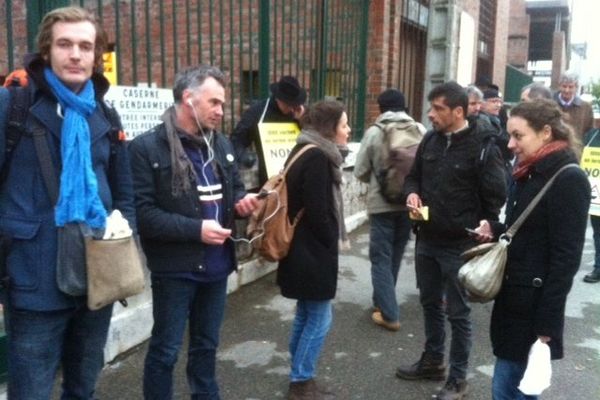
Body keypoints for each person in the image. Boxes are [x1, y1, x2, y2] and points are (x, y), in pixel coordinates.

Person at [0, 6, 135, 398]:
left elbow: (123, 192)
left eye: (85, 46)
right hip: (34, 281)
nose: (75, 54)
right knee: (32, 392)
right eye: (65, 44)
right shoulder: (14, 106)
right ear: (47, 51)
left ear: (96, 57)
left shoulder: (105, 113)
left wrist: (124, 240)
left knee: (83, 388)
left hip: (98, 276)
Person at [129, 65, 259, 400]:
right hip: (175, 269)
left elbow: (235, 186)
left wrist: (243, 201)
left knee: (206, 346)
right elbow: (143, 216)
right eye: (214, 103)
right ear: (188, 99)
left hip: (217, 266)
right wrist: (196, 229)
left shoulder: (221, 144)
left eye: (222, 104)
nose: (221, 111)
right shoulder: (146, 148)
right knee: (165, 350)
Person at [470, 99, 590, 399]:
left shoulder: (567, 178)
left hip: (533, 308)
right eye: (509, 135)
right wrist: (496, 230)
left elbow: (566, 258)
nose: (510, 144)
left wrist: (547, 324)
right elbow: (527, 228)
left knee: (511, 389)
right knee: (508, 385)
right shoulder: (530, 170)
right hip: (515, 298)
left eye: (518, 136)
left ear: (546, 132)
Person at [395, 81, 507, 400]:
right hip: (427, 239)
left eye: (438, 109)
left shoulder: (484, 144)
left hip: (461, 246)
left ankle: (458, 379)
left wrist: (487, 224)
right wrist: (412, 193)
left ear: (458, 111)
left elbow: (496, 193)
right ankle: (432, 361)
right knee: (430, 303)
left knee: (458, 313)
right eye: (431, 108)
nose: (431, 114)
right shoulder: (429, 139)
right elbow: (412, 177)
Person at [277, 100, 350, 400]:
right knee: (319, 318)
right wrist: (331, 239)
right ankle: (301, 381)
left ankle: (300, 375)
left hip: (300, 249)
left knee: (306, 315)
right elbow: (319, 213)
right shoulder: (319, 157)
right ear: (330, 129)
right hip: (312, 251)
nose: (347, 131)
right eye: (344, 125)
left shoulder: (303, 148)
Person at [354, 89, 423, 331]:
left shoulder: (375, 132)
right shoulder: (420, 130)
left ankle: (389, 314)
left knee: (380, 258)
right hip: (409, 204)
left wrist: (379, 180)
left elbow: (360, 170)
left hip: (381, 205)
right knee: (395, 254)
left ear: (381, 107)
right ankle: (381, 301)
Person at [230, 75, 307, 185]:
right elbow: (237, 140)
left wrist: (302, 120)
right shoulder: (257, 112)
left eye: (293, 104)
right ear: (278, 98)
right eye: (287, 104)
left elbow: (311, 140)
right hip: (267, 180)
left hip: (296, 176)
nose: (291, 108)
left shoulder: (298, 113)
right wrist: (244, 157)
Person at [552, 72, 594, 141]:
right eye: (564, 86)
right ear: (559, 86)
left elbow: (589, 132)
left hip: (577, 149)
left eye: (571, 87)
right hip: (554, 148)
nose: (567, 90)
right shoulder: (550, 104)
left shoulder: (586, 108)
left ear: (576, 88)